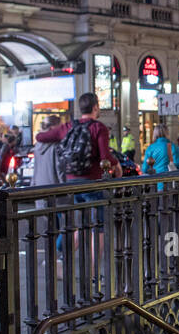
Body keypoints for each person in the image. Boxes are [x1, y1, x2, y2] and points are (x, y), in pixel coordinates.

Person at [36, 93, 121, 267]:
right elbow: (105, 157)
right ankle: (93, 273)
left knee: (79, 226)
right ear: (96, 107)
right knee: (98, 229)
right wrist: (116, 164)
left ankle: (61, 261)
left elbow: (40, 137)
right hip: (93, 184)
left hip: (72, 185)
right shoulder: (99, 128)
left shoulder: (68, 127)